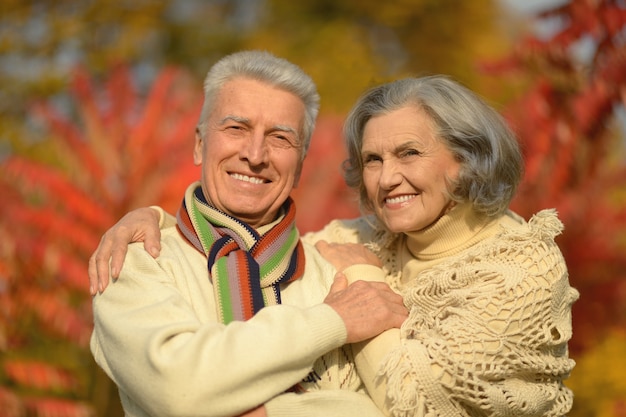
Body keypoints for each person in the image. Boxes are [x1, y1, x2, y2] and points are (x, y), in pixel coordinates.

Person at [90, 75, 579, 417]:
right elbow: (247, 243)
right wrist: (154, 218)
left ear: (466, 161)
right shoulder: (362, 239)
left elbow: (424, 407)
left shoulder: (520, 267)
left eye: (409, 153)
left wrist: (365, 280)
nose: (388, 178)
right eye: (373, 159)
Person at [89, 50, 409, 417]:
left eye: (280, 138)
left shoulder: (339, 269)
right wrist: (331, 322)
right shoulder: (136, 258)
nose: (256, 155)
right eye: (236, 129)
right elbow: (179, 391)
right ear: (199, 144)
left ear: (301, 164)